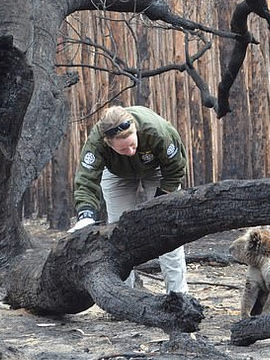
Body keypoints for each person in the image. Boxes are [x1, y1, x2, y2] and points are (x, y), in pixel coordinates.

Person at [68, 105, 189, 294]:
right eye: (123, 149)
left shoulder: (157, 131)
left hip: (157, 169)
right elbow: (86, 180)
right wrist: (86, 215)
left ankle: (178, 294)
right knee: (118, 230)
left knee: (167, 229)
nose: (131, 151)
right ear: (108, 143)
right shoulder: (96, 143)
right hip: (116, 173)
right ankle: (124, 295)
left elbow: (176, 169)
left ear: (136, 130)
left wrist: (161, 200)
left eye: (133, 145)